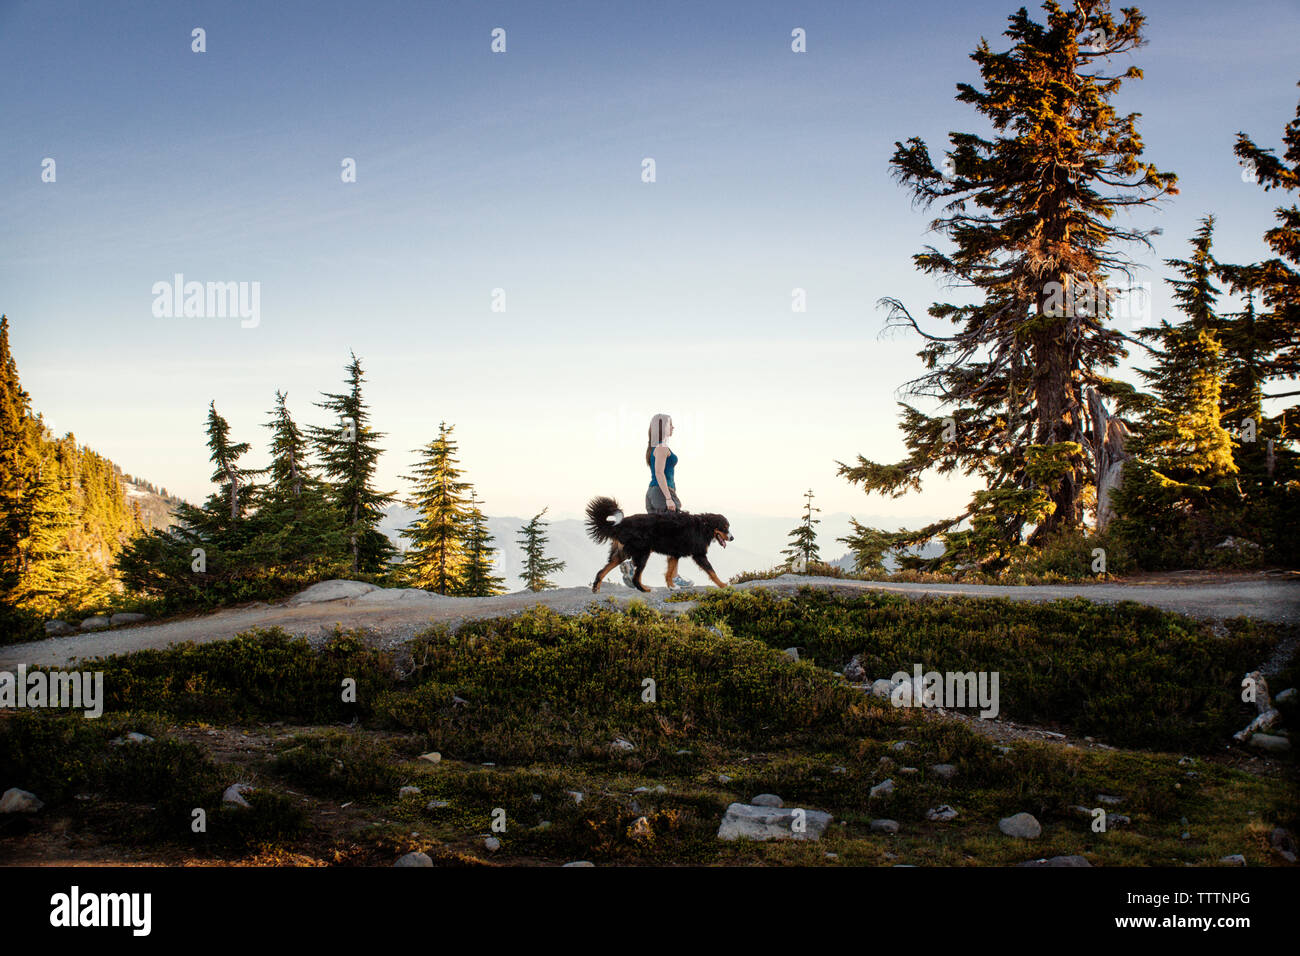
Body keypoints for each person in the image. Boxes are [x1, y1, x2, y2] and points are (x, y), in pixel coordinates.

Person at [620, 412, 690, 587]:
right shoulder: (661, 448)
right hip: (661, 493)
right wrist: (668, 498)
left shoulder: (655, 448)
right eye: (670, 424)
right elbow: (659, 473)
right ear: (663, 427)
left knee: (653, 537)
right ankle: (674, 577)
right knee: (676, 536)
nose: (673, 427)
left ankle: (631, 565)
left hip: (653, 493)